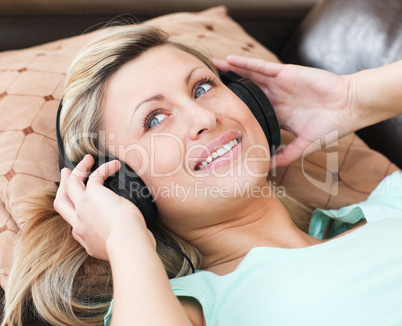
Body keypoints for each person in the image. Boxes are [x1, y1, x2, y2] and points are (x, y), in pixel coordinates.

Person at [1, 24, 401, 326]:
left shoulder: (390, 202)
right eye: (154, 119)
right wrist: (124, 237)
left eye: (202, 88)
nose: (204, 117)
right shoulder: (182, 304)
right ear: (123, 187)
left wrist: (352, 98)